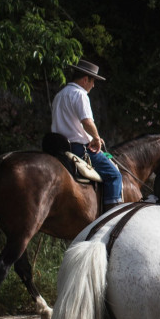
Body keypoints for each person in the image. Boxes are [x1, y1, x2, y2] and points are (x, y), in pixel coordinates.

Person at [51, 59, 123, 212]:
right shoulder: (80, 94)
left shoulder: (60, 95)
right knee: (114, 175)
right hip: (78, 148)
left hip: (58, 147)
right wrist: (96, 139)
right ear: (85, 79)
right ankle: (111, 217)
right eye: (93, 81)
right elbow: (87, 122)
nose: (93, 85)